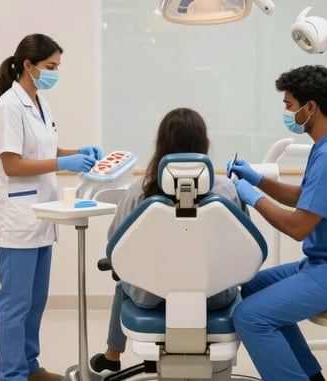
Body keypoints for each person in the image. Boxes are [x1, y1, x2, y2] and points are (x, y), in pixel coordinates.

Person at [229, 65, 327, 381]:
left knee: (250, 317)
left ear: (310, 107)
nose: (288, 113)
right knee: (248, 287)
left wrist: (252, 197)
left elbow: (298, 226)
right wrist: (259, 180)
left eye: (289, 105)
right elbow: (308, 196)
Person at [90, 107, 246, 374]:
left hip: (150, 295)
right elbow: (243, 246)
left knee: (123, 281)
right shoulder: (225, 188)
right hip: (215, 296)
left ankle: (112, 354)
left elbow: (115, 245)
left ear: (161, 144)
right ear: (204, 144)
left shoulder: (140, 190)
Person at [0, 33, 103, 381]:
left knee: (35, 302)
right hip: (17, 220)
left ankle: (30, 367)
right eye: (50, 67)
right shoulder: (9, 106)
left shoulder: (39, 102)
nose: (54, 73)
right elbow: (13, 164)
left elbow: (44, 149)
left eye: (57, 67)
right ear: (28, 65)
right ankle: (12, 374)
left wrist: (76, 153)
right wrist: (63, 166)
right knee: (14, 304)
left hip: (41, 215)